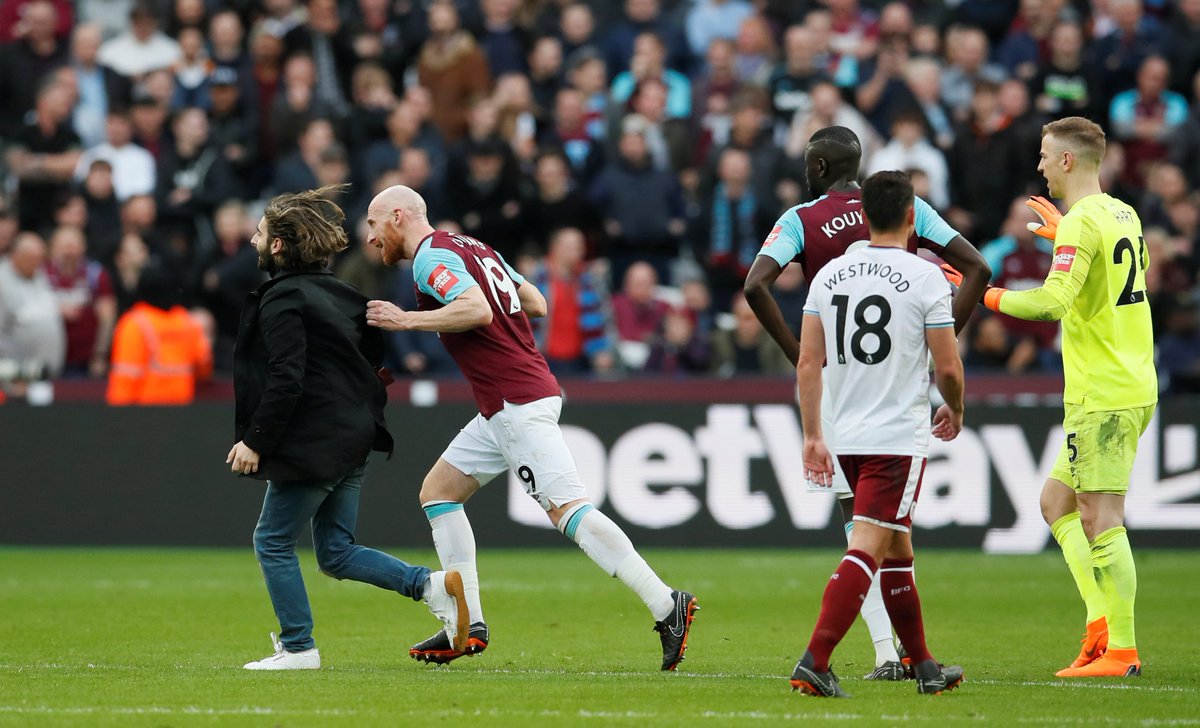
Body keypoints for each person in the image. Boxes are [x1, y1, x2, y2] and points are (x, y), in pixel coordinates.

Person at [364, 184, 697, 670]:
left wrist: (407, 321)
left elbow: (476, 308)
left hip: (514, 400)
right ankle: (466, 623)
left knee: (569, 512)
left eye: (373, 225)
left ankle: (667, 605)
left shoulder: (428, 258)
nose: (371, 237)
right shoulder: (471, 246)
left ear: (397, 217)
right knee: (438, 492)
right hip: (507, 401)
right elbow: (536, 301)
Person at [743, 125, 990, 680]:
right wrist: (937, 338)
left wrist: (800, 355)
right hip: (895, 390)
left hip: (836, 385)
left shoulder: (801, 222)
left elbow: (756, 285)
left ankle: (905, 656)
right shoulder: (907, 207)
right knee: (878, 531)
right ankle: (848, 658)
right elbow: (977, 267)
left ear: (821, 169)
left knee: (869, 527)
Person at [229, 185, 468, 671]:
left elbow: (286, 377)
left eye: (259, 233)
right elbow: (369, 365)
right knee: (336, 552)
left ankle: (298, 648)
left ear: (278, 246)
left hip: (316, 442)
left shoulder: (280, 299)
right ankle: (430, 585)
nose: (254, 240)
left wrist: (256, 439)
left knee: (271, 540)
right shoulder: (347, 296)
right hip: (355, 437)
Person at [981, 117, 1156, 678]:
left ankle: (1123, 651)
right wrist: (1065, 238)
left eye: (1043, 155)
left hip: (1105, 391)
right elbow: (1119, 277)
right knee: (1056, 504)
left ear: (1066, 162)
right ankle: (1100, 625)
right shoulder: (1121, 213)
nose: (1037, 165)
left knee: (1101, 517)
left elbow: (1051, 303)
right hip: (1121, 382)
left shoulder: (1083, 221)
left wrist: (980, 294)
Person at [791, 170, 966, 698]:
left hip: (845, 434)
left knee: (897, 549)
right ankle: (814, 661)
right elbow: (949, 368)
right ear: (912, 216)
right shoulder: (925, 276)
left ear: (864, 216)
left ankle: (925, 665)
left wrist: (812, 435)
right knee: (868, 547)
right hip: (894, 437)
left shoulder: (830, 275)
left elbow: (806, 361)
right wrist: (955, 408)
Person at [105, 263, 212, 405]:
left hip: (144, 415)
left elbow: (124, 379)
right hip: (181, 412)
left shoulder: (134, 324)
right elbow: (204, 367)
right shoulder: (187, 322)